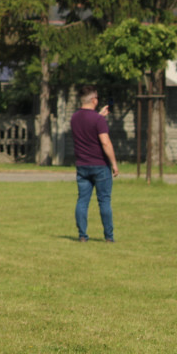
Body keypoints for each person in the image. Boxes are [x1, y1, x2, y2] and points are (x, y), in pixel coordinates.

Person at [71, 85, 119, 242]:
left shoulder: (74, 118)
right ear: (93, 100)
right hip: (100, 165)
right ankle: (109, 237)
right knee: (104, 200)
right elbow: (105, 143)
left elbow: (86, 126)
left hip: (82, 165)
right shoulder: (98, 120)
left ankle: (82, 235)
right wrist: (114, 163)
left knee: (82, 200)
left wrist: (99, 116)